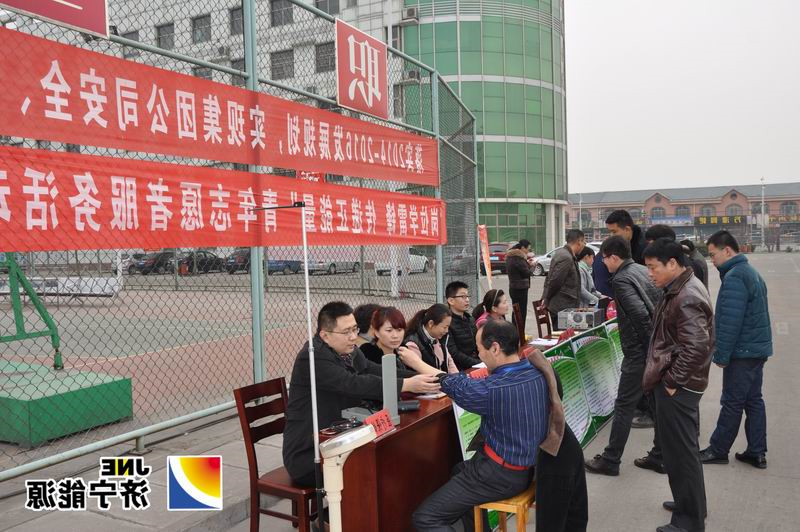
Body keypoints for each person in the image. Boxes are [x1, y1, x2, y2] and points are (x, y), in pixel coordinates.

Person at [412, 320, 555, 532]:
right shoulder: (536, 372)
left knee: (425, 518)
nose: (479, 355)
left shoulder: (495, 389)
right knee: (459, 470)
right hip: (530, 467)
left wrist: (415, 361)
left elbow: (456, 386)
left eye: (479, 349)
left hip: (501, 474)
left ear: (495, 348)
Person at [282, 302, 441, 486]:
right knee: (382, 467)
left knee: (398, 452)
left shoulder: (348, 350)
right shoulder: (312, 357)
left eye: (354, 329)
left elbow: (374, 370)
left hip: (342, 439)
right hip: (311, 453)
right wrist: (405, 385)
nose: (353, 337)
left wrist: (422, 378)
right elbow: (352, 384)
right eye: (346, 332)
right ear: (325, 335)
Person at [643, 239, 714, 532]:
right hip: (681, 383)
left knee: (681, 453)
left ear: (672, 263)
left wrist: (672, 381)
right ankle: (691, 504)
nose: (650, 274)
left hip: (679, 386)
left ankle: (688, 521)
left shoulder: (686, 295)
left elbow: (697, 346)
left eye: (653, 268)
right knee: (683, 451)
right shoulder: (679, 287)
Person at [584, 236, 664, 477]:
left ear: (614, 257)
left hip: (640, 353)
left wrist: (650, 352)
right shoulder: (640, 269)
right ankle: (660, 455)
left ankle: (611, 459)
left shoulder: (621, 279)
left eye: (604, 259)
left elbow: (640, 316)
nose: (603, 263)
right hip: (653, 348)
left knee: (624, 405)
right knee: (655, 404)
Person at [699, 231, 772, 469]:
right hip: (755, 350)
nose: (712, 260)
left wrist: (722, 355)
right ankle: (756, 452)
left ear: (727, 250)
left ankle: (718, 450)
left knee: (732, 401)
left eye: (713, 255)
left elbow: (731, 322)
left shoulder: (735, 277)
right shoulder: (749, 271)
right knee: (753, 400)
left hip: (743, 353)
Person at [593, 210, 647, 297]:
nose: (611, 235)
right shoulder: (605, 253)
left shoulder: (646, 248)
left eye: (614, 232)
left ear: (627, 229)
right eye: (609, 232)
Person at [541, 229, 585, 327]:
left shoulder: (563, 253)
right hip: (562, 308)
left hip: (564, 307)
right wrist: (546, 298)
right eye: (584, 242)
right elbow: (555, 281)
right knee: (564, 335)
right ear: (579, 241)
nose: (584, 245)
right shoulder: (566, 257)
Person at [404, 304, 459, 374]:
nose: (447, 331)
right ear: (431, 323)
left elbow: (450, 362)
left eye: (448, 327)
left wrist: (457, 378)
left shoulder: (440, 338)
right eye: (445, 327)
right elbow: (418, 372)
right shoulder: (413, 344)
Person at [445, 281, 481, 370]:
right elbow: (454, 353)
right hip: (459, 369)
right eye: (463, 296)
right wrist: (478, 363)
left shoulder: (470, 319)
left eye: (467, 296)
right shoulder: (447, 323)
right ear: (451, 301)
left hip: (476, 363)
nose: (467, 300)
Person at [360, 306, 410, 371]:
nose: (395, 336)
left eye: (399, 330)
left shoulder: (405, 352)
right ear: (376, 332)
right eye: (389, 330)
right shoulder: (367, 355)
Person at [505, 239, 536, 326]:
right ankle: (520, 332)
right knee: (521, 313)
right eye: (528, 249)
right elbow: (526, 273)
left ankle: (515, 331)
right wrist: (532, 266)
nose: (528, 251)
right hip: (520, 289)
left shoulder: (511, 256)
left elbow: (519, 270)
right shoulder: (518, 258)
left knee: (516, 311)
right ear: (522, 248)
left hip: (513, 288)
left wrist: (527, 264)